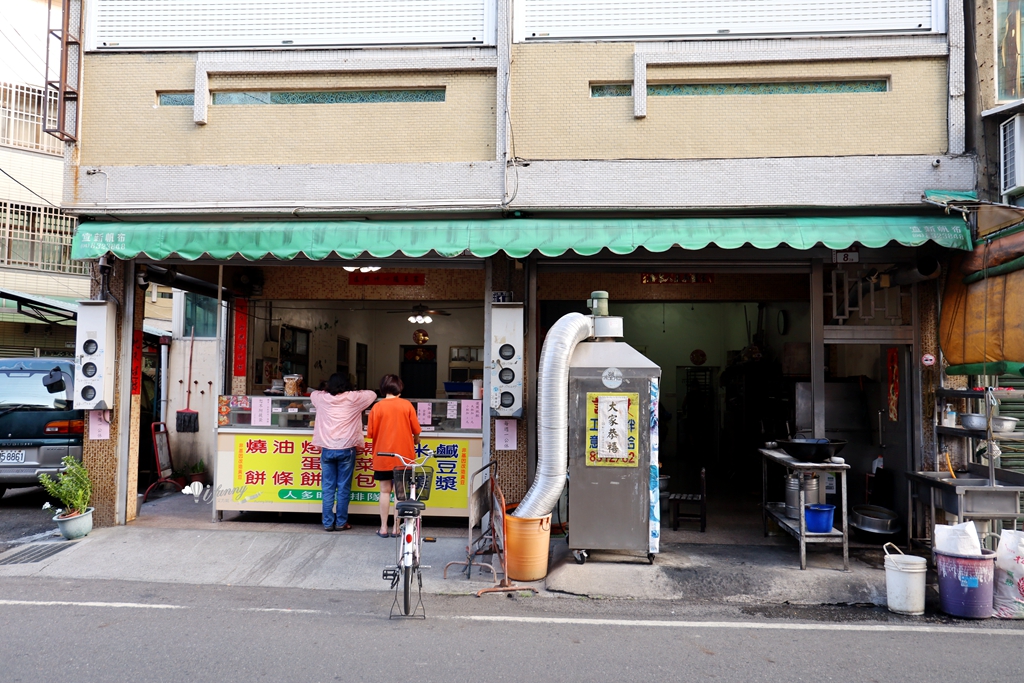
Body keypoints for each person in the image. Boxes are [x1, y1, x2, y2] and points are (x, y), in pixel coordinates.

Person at [309, 373, 378, 532]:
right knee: (343, 487)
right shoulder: (353, 398)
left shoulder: (322, 398)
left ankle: (327, 523)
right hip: (346, 448)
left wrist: (325, 391)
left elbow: (313, 393)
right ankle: (341, 522)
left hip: (327, 448)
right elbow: (373, 394)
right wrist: (354, 391)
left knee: (328, 488)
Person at [365, 374, 421, 538]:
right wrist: (416, 440)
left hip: (382, 456)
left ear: (383, 388)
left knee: (384, 492)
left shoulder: (377, 407)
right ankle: (397, 528)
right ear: (399, 388)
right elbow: (416, 431)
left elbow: (371, 433)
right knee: (399, 493)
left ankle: (383, 528)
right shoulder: (407, 405)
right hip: (403, 457)